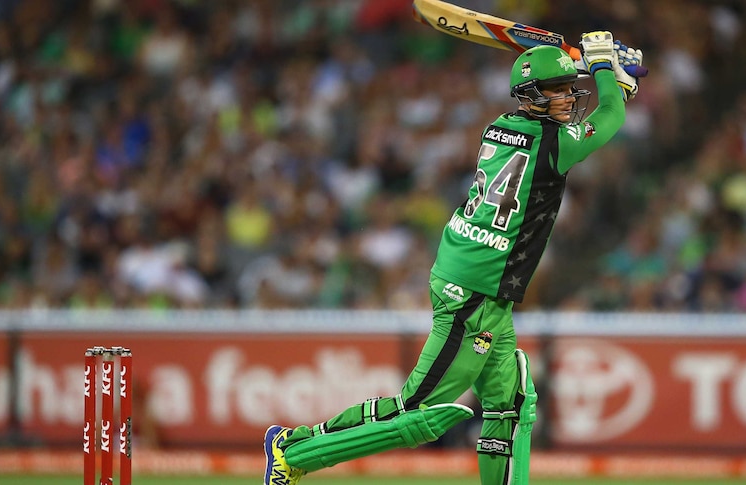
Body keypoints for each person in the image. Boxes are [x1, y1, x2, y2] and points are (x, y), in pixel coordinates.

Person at [262, 31, 642, 485]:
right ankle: (296, 451)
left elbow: (593, 108)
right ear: (531, 97)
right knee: (418, 414)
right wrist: (607, 71)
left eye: (568, 88)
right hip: (475, 290)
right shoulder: (552, 145)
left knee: (511, 405)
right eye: (557, 91)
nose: (567, 98)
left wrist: (606, 73)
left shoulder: (501, 125)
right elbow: (611, 116)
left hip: (478, 281)